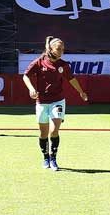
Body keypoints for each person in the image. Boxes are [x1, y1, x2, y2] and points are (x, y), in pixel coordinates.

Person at [22, 36, 88, 171]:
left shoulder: (63, 65)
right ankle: (45, 157)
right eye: (59, 49)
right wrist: (31, 88)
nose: (61, 51)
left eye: (63, 49)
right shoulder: (39, 62)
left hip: (57, 100)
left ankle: (54, 158)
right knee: (43, 133)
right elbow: (25, 76)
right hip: (41, 102)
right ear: (50, 49)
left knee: (54, 129)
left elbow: (72, 79)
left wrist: (81, 92)